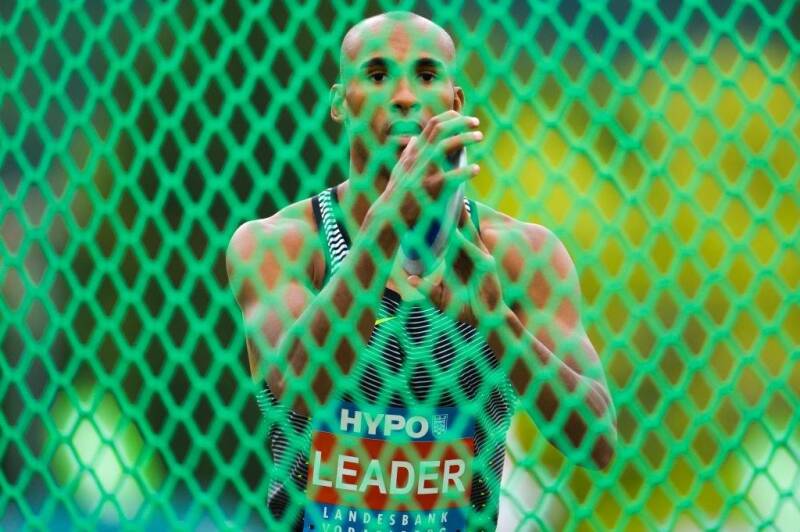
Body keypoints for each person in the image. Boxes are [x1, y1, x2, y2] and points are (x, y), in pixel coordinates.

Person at [226, 11, 616, 531]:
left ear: (455, 102)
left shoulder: (518, 255)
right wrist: (386, 222)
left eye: (427, 75)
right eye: (378, 74)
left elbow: (596, 440)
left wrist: (498, 324)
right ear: (340, 102)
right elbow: (299, 387)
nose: (405, 96)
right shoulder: (282, 244)